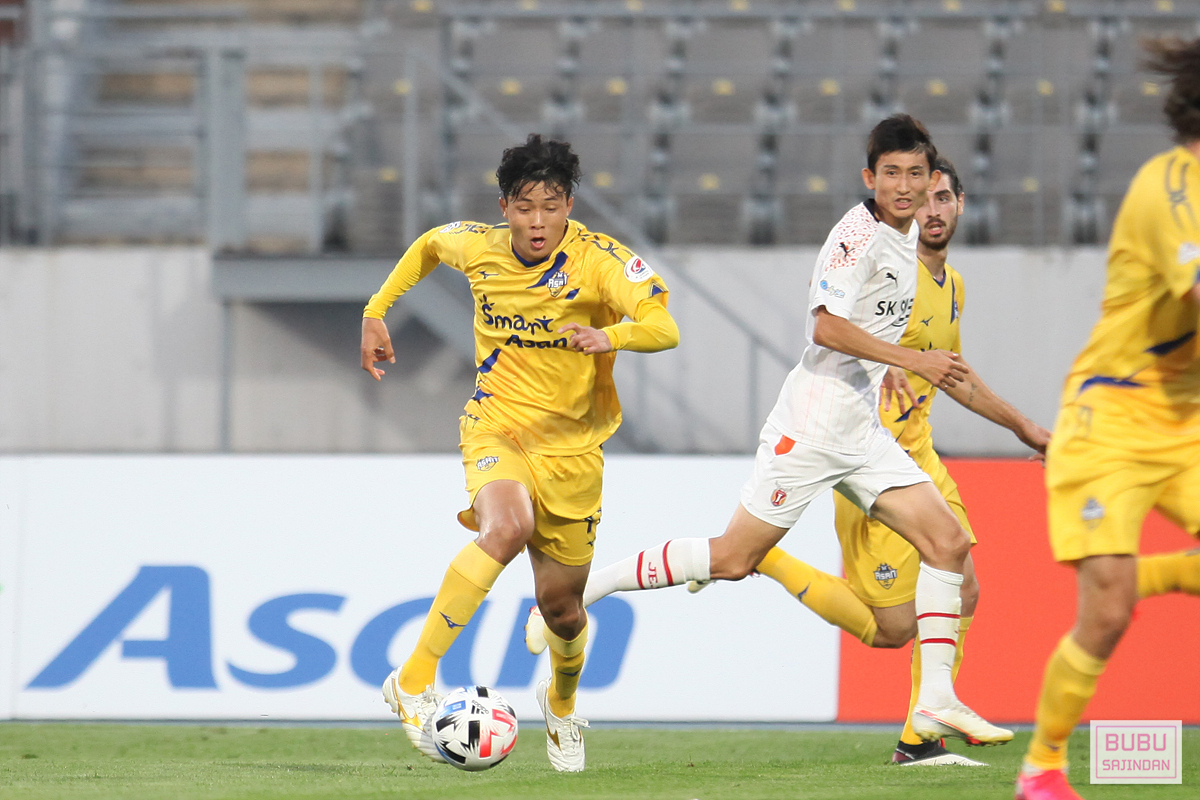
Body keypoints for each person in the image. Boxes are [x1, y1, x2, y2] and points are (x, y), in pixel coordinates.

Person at [533, 114, 1011, 747]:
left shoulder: (905, 238)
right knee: (732, 559)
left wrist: (899, 368)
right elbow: (825, 326)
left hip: (861, 428)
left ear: (929, 183)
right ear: (869, 177)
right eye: (891, 173)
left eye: (915, 174)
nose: (904, 185)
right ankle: (593, 586)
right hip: (812, 426)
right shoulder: (857, 237)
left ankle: (935, 703)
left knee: (948, 543)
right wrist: (910, 360)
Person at [360, 133, 680, 773]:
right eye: (526, 207)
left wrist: (611, 335)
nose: (538, 222)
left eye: (551, 207)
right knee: (506, 527)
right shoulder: (478, 246)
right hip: (496, 427)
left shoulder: (599, 262)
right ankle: (413, 681)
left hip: (573, 452)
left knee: (563, 612)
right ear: (504, 206)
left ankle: (560, 706)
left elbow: (664, 327)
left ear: (569, 206)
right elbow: (429, 245)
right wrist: (376, 310)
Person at [736, 158, 1050, 767]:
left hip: (920, 458)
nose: (932, 209)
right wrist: (883, 367)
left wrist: (1026, 429)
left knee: (965, 586)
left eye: (943, 197)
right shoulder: (882, 267)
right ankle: (765, 558)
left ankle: (920, 738)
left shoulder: (953, 286)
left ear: (960, 204)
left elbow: (955, 376)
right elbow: (834, 334)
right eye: (924, 197)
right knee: (893, 629)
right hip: (867, 462)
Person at [1015, 38, 1200, 800]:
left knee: (1120, 591)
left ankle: (1141, 576)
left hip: (1186, 423)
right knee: (1107, 614)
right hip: (1113, 417)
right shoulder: (1172, 187)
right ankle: (1042, 767)